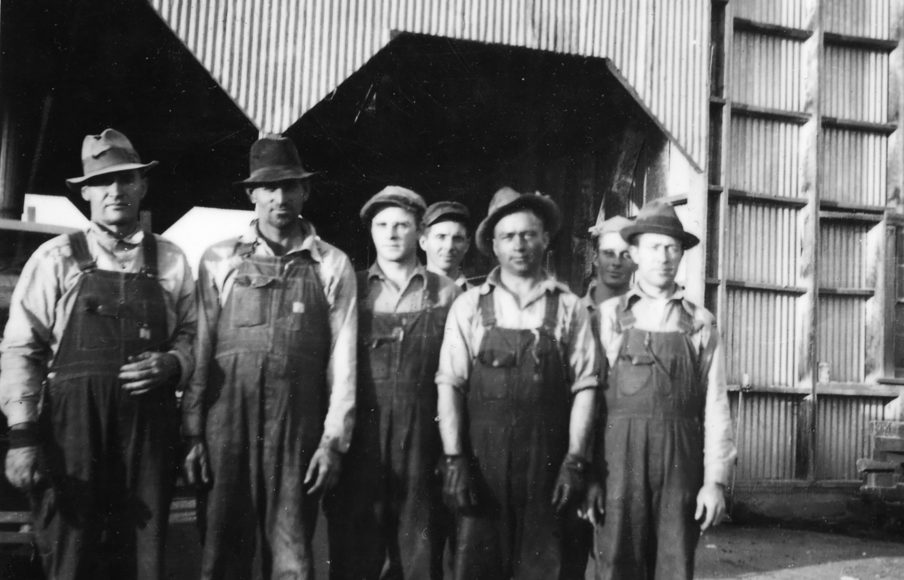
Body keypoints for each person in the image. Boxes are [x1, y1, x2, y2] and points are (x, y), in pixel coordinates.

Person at [0, 128, 196, 579]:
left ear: (143, 186)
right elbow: (20, 349)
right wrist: (23, 438)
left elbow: (194, 333)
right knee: (71, 556)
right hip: (73, 435)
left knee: (142, 557)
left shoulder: (172, 259)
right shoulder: (55, 259)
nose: (116, 191)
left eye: (127, 179)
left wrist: (173, 363)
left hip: (148, 436)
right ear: (86, 192)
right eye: (104, 182)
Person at [181, 134, 358, 580]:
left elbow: (344, 363)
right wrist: (193, 433)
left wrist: (332, 442)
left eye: (290, 186)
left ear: (306, 191)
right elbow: (200, 350)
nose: (280, 198)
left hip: (298, 426)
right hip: (227, 426)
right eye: (269, 188)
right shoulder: (219, 259)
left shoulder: (331, 265)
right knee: (222, 553)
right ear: (252, 195)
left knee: (293, 556)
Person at [435, 187, 599, 580]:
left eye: (529, 234)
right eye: (508, 236)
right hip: (482, 468)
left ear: (545, 238)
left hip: (547, 469)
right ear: (493, 245)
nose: (519, 245)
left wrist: (575, 461)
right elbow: (450, 385)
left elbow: (586, 387)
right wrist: (455, 460)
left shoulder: (570, 307)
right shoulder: (470, 305)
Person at [593, 201, 736, 580]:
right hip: (618, 464)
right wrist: (588, 475)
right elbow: (590, 403)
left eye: (673, 247)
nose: (665, 256)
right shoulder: (609, 317)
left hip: (680, 464)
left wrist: (714, 481)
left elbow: (715, 405)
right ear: (635, 254)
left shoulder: (700, 323)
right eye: (655, 247)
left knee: (673, 567)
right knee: (616, 565)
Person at [325, 186, 460, 579]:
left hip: (423, 441)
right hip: (362, 441)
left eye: (402, 225)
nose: (391, 233)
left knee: (420, 554)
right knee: (354, 554)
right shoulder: (353, 287)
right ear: (370, 232)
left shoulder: (446, 292)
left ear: (420, 232)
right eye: (382, 225)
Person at [576, 215, 635, 528]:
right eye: (608, 253)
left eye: (626, 254)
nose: (616, 263)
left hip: (622, 451)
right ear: (594, 256)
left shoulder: (647, 319)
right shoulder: (571, 312)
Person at [420, 201, 473, 291]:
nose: (449, 246)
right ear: (423, 242)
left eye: (457, 238)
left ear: (467, 245)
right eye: (441, 237)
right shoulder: (404, 293)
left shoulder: (478, 298)